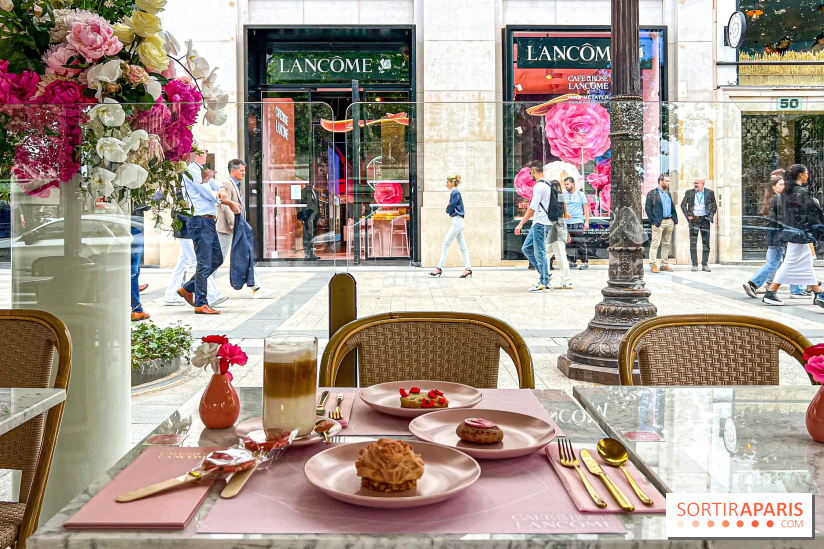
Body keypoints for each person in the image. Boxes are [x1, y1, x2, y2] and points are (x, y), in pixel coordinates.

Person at [176, 150, 241, 315]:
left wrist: (222, 188)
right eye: (204, 151)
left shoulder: (200, 169)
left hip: (208, 220)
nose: (206, 153)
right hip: (199, 220)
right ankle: (201, 303)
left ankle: (187, 288)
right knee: (204, 262)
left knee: (217, 258)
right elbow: (206, 191)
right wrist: (228, 201)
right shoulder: (191, 169)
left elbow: (214, 183)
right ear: (196, 153)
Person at [762, 164, 824, 308]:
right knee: (790, 262)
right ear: (801, 175)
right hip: (800, 234)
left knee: (807, 262)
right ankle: (770, 293)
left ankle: (818, 294)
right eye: (806, 173)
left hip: (794, 233)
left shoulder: (788, 192)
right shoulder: (800, 192)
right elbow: (811, 213)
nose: (808, 175)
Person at [163, 172, 225, 307]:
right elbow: (178, 213)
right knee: (200, 262)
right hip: (187, 232)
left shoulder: (186, 189)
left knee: (183, 264)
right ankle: (212, 294)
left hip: (188, 231)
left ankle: (172, 294)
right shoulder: (184, 191)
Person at [743, 174, 808, 299]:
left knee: (783, 262)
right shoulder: (779, 199)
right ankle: (753, 283)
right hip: (779, 237)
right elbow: (784, 220)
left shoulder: (773, 199)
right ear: (774, 187)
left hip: (776, 237)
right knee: (777, 263)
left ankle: (797, 289)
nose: (784, 186)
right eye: (781, 184)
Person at [216, 159, 274, 298]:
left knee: (246, 255)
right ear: (233, 171)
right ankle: (202, 286)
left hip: (235, 228)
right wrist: (234, 225)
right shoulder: (227, 184)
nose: (244, 173)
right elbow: (225, 207)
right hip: (227, 229)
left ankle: (257, 287)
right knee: (216, 260)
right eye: (241, 171)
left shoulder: (235, 184)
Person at [515, 160, 554, 292]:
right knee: (526, 248)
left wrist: (520, 224)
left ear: (533, 171)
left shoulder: (539, 186)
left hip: (540, 223)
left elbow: (532, 208)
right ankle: (545, 275)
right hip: (540, 222)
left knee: (540, 252)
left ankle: (544, 282)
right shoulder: (548, 184)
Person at [430, 174, 472, 278]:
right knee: (463, 247)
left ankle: (439, 268)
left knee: (445, 244)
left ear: (452, 183)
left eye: (448, 182)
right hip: (458, 222)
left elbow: (450, 208)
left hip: (457, 222)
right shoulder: (455, 193)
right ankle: (468, 268)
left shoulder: (455, 193)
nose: (446, 184)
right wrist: (448, 208)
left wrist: (448, 208)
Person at [680, 177, 717, 272]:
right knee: (693, 243)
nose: (695, 185)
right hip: (694, 220)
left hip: (704, 220)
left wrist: (709, 216)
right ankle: (694, 264)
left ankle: (705, 264)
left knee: (706, 242)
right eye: (694, 183)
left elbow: (714, 206)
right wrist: (688, 216)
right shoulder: (689, 193)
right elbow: (683, 205)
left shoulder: (709, 193)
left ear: (702, 184)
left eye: (697, 183)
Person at [645, 174, 678, 273]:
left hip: (669, 221)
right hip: (658, 222)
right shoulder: (652, 193)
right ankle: (653, 264)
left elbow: (672, 207)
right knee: (655, 243)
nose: (668, 183)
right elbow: (648, 208)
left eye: (669, 181)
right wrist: (653, 221)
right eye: (667, 181)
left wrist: (673, 219)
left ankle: (664, 264)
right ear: (660, 182)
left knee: (666, 244)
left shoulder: (668, 194)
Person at [547, 179, 573, 289]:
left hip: (554, 230)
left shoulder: (550, 199)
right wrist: (566, 233)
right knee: (554, 255)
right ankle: (547, 278)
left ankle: (565, 281)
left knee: (556, 256)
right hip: (559, 230)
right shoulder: (561, 197)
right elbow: (563, 217)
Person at [562, 176, 590, 269]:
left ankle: (584, 261)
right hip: (567, 222)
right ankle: (572, 260)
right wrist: (565, 215)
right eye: (565, 184)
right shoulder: (564, 195)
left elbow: (586, 208)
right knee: (569, 242)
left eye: (567, 184)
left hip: (578, 221)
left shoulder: (580, 194)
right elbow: (561, 208)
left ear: (573, 184)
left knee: (579, 242)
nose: (566, 186)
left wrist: (586, 222)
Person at [130, 200, 149, 322]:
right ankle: (136, 309)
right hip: (133, 227)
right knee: (133, 272)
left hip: (126, 226)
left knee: (132, 271)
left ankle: (136, 308)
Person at [299, 183, 320, 260]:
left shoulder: (315, 192)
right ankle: (307, 254)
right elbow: (299, 205)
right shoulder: (303, 192)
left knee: (312, 235)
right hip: (306, 217)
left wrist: (318, 216)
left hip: (314, 217)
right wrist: (300, 216)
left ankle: (311, 253)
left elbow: (317, 205)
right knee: (306, 235)